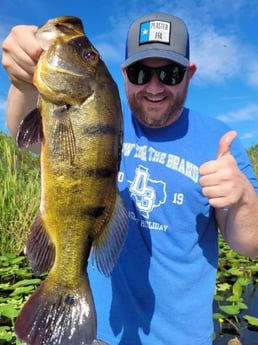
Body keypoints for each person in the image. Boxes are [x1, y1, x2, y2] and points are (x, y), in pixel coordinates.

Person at [2, 12, 258, 345]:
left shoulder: (220, 141)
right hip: (97, 332)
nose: (154, 87)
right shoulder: (103, 111)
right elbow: (26, 133)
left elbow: (250, 244)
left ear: (189, 74)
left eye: (169, 73)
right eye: (140, 73)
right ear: (124, 74)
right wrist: (22, 82)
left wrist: (241, 199)